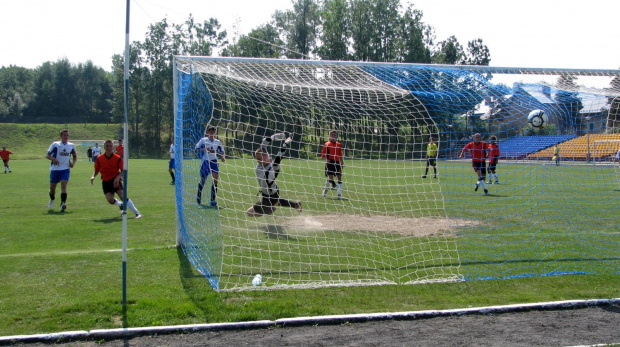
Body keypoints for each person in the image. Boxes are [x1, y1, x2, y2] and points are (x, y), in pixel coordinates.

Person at [246, 134, 302, 217]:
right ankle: (295, 205)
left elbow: (279, 157)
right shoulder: (262, 158)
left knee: (249, 212)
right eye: (257, 159)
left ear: (266, 156)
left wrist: (285, 144)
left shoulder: (272, 169)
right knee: (273, 205)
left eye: (259, 159)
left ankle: (273, 207)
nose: (258, 161)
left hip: (271, 197)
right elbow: (264, 143)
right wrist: (273, 137)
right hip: (267, 194)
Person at [90, 139, 142, 219]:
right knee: (110, 200)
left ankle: (137, 213)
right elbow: (96, 170)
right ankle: (120, 204)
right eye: (107, 146)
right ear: (104, 147)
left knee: (122, 196)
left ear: (113, 147)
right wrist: (93, 176)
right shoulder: (99, 158)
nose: (109, 147)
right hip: (106, 182)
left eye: (110, 145)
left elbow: (124, 171)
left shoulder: (117, 158)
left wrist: (118, 178)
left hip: (115, 181)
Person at [46, 129, 77, 211]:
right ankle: (52, 199)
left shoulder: (71, 145)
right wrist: (53, 159)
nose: (66, 137)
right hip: (55, 169)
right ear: (61, 136)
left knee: (63, 185)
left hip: (65, 169)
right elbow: (48, 155)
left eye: (67, 135)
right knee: (52, 189)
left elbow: (75, 156)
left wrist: (73, 163)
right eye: (64, 135)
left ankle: (63, 204)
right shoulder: (55, 144)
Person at [195, 126, 225, 207]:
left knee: (215, 181)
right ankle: (198, 196)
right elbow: (196, 149)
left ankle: (212, 200)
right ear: (208, 132)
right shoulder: (203, 140)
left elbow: (222, 151)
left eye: (213, 132)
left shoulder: (217, 141)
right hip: (205, 162)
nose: (212, 133)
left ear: (215, 133)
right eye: (210, 132)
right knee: (203, 180)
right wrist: (204, 149)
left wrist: (223, 157)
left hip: (214, 162)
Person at [321, 130, 345, 199]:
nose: (333, 136)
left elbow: (340, 154)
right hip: (330, 162)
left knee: (339, 177)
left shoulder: (338, 144)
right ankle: (325, 191)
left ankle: (339, 195)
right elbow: (323, 154)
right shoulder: (327, 144)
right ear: (329, 136)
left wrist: (342, 162)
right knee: (330, 179)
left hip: (337, 162)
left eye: (334, 135)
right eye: (331, 135)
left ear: (336, 136)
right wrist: (326, 160)